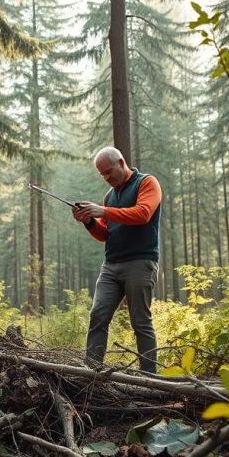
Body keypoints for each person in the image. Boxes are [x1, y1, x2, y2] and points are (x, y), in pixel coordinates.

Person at [72, 146, 162, 373]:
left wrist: (102, 211)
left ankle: (151, 380)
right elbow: (105, 234)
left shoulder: (147, 183)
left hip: (140, 263)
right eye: (102, 174)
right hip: (111, 266)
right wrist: (88, 220)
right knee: (98, 316)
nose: (106, 178)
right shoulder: (109, 196)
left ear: (121, 163)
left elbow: (143, 213)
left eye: (109, 172)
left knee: (140, 322)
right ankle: (92, 374)